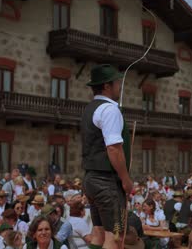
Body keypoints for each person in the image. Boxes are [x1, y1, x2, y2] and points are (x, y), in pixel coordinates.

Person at [82, 64, 134, 249]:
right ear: (106, 86)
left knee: (98, 233)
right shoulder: (110, 110)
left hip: (91, 178)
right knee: (115, 237)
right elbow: (114, 149)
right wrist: (125, 179)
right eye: (117, 82)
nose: (119, 85)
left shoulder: (90, 108)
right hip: (107, 181)